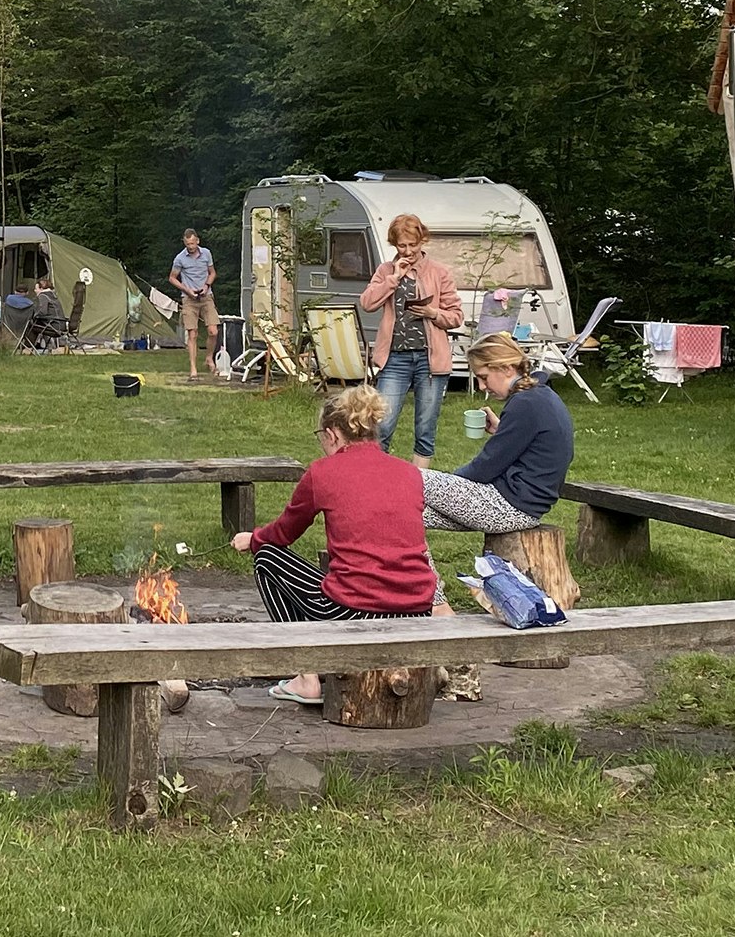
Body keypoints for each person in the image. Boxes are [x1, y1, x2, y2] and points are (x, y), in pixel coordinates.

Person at [231, 385, 444, 705]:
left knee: (268, 559)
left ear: (332, 434)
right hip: (416, 605)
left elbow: (285, 533)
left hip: (358, 606)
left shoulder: (323, 472)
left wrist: (254, 539)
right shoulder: (409, 473)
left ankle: (306, 676)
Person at [421, 332, 575, 533]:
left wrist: (450, 483)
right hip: (526, 507)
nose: (482, 386)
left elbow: (485, 467)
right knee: (405, 512)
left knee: (408, 478)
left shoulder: (525, 403)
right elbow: (530, 447)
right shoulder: (540, 396)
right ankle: (421, 565)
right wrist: (502, 430)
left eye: (484, 377)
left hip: (509, 506)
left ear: (507, 368)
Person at [358, 212, 464, 464]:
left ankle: (419, 487)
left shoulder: (439, 272)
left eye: (412, 244)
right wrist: (394, 278)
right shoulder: (385, 270)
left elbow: (456, 316)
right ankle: (376, 482)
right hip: (395, 358)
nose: (408, 251)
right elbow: (367, 303)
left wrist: (433, 313)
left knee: (425, 429)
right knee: (382, 425)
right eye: (401, 245)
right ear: (394, 245)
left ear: (422, 241)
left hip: (431, 360)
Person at [169, 228, 219, 380]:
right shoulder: (180, 258)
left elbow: (212, 273)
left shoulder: (206, 254)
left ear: (198, 241)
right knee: (193, 333)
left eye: (192, 243)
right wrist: (187, 289)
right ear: (184, 243)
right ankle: (193, 369)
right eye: (187, 244)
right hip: (189, 298)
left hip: (206, 295)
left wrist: (206, 286)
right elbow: (172, 278)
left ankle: (209, 358)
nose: (190, 247)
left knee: (213, 331)